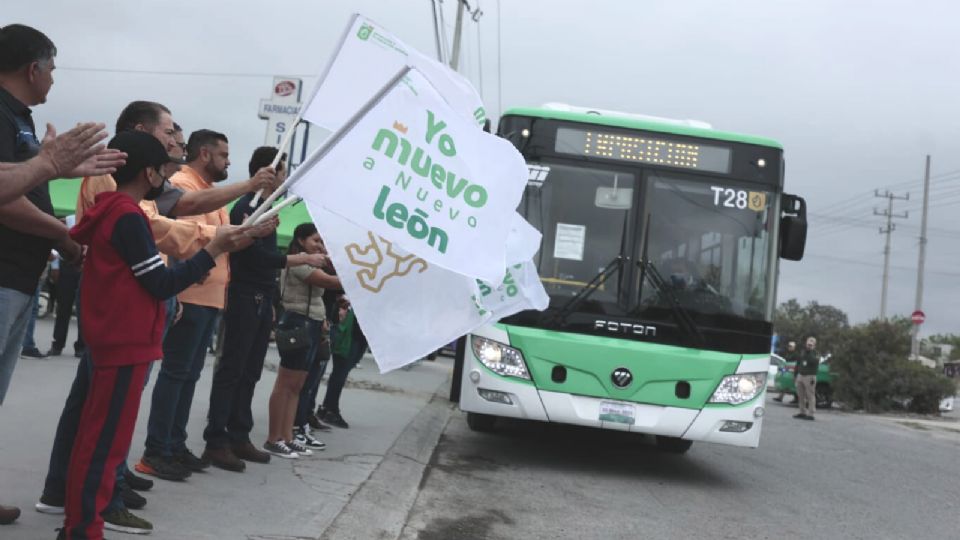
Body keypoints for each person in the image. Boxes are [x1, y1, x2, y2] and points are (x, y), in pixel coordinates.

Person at [60, 130, 255, 540]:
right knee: (105, 444)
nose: (166, 180)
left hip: (114, 338)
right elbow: (160, 283)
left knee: (98, 439)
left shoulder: (112, 210)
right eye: (165, 170)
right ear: (149, 172)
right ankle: (83, 528)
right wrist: (212, 250)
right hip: (124, 341)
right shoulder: (128, 216)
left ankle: (80, 524)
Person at [202, 147, 327, 471]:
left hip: (260, 299)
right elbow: (252, 257)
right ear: (268, 172)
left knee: (251, 371)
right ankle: (216, 439)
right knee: (231, 370)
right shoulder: (249, 207)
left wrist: (271, 300)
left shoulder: (270, 209)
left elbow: (264, 266)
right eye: (282, 172)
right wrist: (299, 259)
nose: (286, 179)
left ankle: (238, 435)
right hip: (243, 297)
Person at [140, 129, 250, 478]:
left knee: (188, 375)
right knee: (176, 374)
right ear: (205, 154)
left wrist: (249, 235)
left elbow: (220, 244)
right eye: (223, 155)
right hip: (190, 295)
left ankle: (174, 444)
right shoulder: (186, 186)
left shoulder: (209, 194)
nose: (228, 161)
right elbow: (184, 243)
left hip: (210, 297)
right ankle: (157, 449)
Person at [0, 24, 76, 526]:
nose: (53, 79)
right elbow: (8, 201)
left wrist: (58, 165)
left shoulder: (20, 119)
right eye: (52, 69)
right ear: (33, 68)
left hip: (21, 275)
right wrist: (63, 236)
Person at [265, 223, 340, 459]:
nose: (320, 246)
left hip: (312, 322)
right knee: (285, 383)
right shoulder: (297, 260)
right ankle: (273, 438)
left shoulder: (310, 260)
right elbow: (327, 282)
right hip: (297, 321)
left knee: (297, 386)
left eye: (322, 242)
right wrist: (358, 277)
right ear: (300, 240)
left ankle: (287, 436)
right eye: (316, 240)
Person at [319, 297, 368, 429]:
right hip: (350, 329)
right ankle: (330, 409)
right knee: (340, 371)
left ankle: (327, 407)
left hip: (359, 329)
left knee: (341, 371)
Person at [48, 214, 85, 357]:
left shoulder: (98, 217)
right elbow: (58, 244)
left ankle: (81, 346)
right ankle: (57, 344)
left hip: (86, 266)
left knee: (84, 308)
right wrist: (55, 266)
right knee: (63, 306)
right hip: (68, 265)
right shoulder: (68, 220)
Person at [794, 336, 820, 421]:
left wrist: (810, 351)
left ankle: (811, 413)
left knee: (810, 395)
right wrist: (795, 375)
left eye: (811, 344)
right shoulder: (802, 352)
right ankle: (802, 412)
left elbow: (813, 361)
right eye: (808, 343)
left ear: (814, 345)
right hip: (800, 375)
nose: (809, 345)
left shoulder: (815, 353)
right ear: (806, 343)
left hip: (810, 376)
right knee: (801, 395)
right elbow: (798, 364)